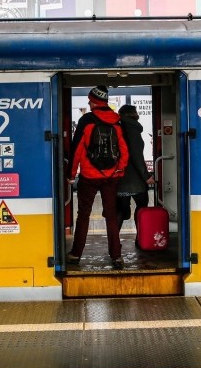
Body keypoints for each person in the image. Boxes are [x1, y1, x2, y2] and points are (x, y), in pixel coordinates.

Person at [66, 86, 129, 269]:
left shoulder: (86, 120)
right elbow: (125, 150)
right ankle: (116, 256)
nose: (88, 102)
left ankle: (76, 254)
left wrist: (71, 175)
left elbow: (76, 150)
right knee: (111, 216)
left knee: (83, 216)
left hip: (89, 176)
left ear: (94, 101)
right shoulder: (117, 122)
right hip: (112, 177)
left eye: (89, 100)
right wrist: (118, 170)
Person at [115, 104, 154, 232]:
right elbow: (136, 155)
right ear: (133, 114)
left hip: (120, 177)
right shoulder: (133, 129)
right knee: (141, 207)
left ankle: (114, 243)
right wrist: (146, 176)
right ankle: (141, 237)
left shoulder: (118, 128)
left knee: (120, 210)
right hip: (135, 179)